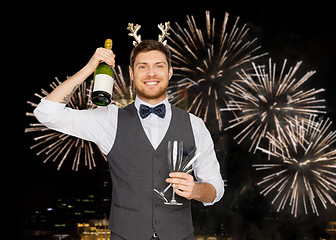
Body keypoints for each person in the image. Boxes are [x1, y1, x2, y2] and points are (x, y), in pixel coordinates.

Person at [34, 39, 224, 240]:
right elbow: (46, 113)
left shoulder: (195, 125)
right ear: (132, 75)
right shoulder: (109, 120)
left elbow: (216, 189)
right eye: (143, 67)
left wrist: (196, 190)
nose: (151, 73)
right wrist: (89, 69)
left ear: (170, 72)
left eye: (159, 66)